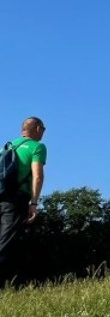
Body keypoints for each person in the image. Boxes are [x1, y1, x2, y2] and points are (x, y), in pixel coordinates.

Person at [0, 116, 47, 286]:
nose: (43, 133)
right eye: (43, 129)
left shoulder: (8, 146)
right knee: (6, 242)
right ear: (36, 128)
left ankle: (13, 283)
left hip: (1, 195)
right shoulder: (38, 147)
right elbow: (38, 176)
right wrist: (34, 203)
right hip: (16, 199)